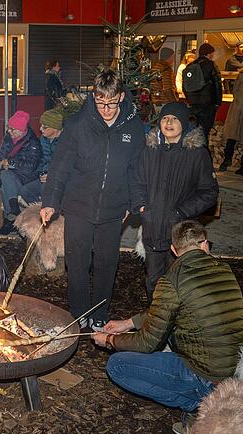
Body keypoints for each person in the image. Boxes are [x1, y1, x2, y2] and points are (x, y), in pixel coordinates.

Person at [92, 221, 243, 414]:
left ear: (173, 250)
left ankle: (197, 405)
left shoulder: (171, 280)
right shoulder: (225, 270)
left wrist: (110, 340)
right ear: (204, 245)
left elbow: (147, 343)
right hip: (241, 369)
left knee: (117, 365)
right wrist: (128, 323)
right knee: (171, 324)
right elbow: (167, 309)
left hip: (208, 377)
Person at [40, 70, 146, 328]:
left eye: (111, 103)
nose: (106, 109)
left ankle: (99, 312)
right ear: (94, 97)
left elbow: (136, 169)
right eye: (100, 102)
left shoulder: (133, 127)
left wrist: (133, 203)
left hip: (113, 208)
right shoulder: (77, 125)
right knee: (77, 261)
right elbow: (60, 166)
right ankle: (79, 312)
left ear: (121, 97)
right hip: (78, 204)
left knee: (107, 263)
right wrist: (50, 201)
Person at [129, 101, 218, 296]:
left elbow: (209, 192)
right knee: (153, 282)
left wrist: (181, 212)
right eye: (165, 118)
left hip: (180, 232)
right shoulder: (149, 150)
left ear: (184, 123)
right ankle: (155, 315)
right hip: (152, 228)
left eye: (175, 119)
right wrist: (142, 207)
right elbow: (137, 181)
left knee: (178, 284)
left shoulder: (197, 154)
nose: (168, 123)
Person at [0, 110, 41, 235]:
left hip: (26, 177)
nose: (9, 131)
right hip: (10, 175)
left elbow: (31, 167)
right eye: (8, 128)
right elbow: (0, 157)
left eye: (13, 129)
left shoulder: (32, 142)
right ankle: (14, 213)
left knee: (6, 180)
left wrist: (11, 163)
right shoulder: (8, 138)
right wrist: (1, 163)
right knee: (6, 177)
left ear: (22, 129)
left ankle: (10, 219)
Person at [182, 43, 223, 139]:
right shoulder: (211, 65)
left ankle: (193, 147)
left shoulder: (190, 66)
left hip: (193, 104)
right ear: (209, 53)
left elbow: (185, 86)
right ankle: (203, 148)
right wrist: (218, 102)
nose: (213, 55)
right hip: (207, 104)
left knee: (193, 130)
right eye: (212, 53)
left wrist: (189, 99)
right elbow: (217, 85)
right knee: (205, 131)